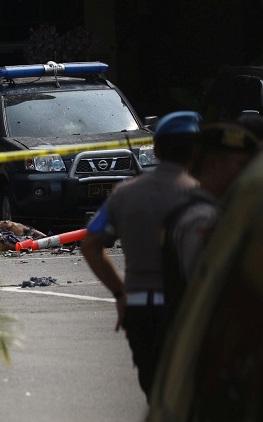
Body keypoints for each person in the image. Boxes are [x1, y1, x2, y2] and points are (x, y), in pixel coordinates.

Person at [80, 110, 201, 402]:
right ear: (197, 150)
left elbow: (90, 244)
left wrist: (120, 293)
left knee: (155, 393)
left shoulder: (125, 194)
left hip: (140, 310)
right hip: (187, 313)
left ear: (157, 149)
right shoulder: (203, 195)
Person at [161, 122, 261, 319]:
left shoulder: (191, 207)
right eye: (241, 165)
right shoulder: (201, 218)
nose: (248, 174)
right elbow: (208, 292)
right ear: (213, 165)